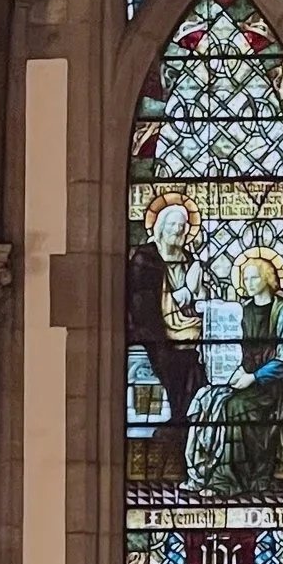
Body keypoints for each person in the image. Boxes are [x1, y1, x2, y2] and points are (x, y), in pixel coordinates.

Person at [181, 247, 283, 495]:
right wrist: (228, 372)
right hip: (244, 379)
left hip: (277, 386)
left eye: (254, 277)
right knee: (208, 400)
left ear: (268, 278)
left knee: (234, 407)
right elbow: (237, 350)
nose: (249, 283)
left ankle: (227, 481)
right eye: (245, 278)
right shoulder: (243, 311)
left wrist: (254, 377)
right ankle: (202, 473)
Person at [126, 194, 206, 469]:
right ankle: (179, 423)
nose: (179, 230)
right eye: (173, 225)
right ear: (160, 226)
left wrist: (193, 293)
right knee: (178, 361)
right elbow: (140, 300)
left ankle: (186, 426)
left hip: (186, 327)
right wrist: (181, 295)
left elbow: (197, 299)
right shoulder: (145, 257)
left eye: (183, 226)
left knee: (197, 362)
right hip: (154, 328)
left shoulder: (188, 259)